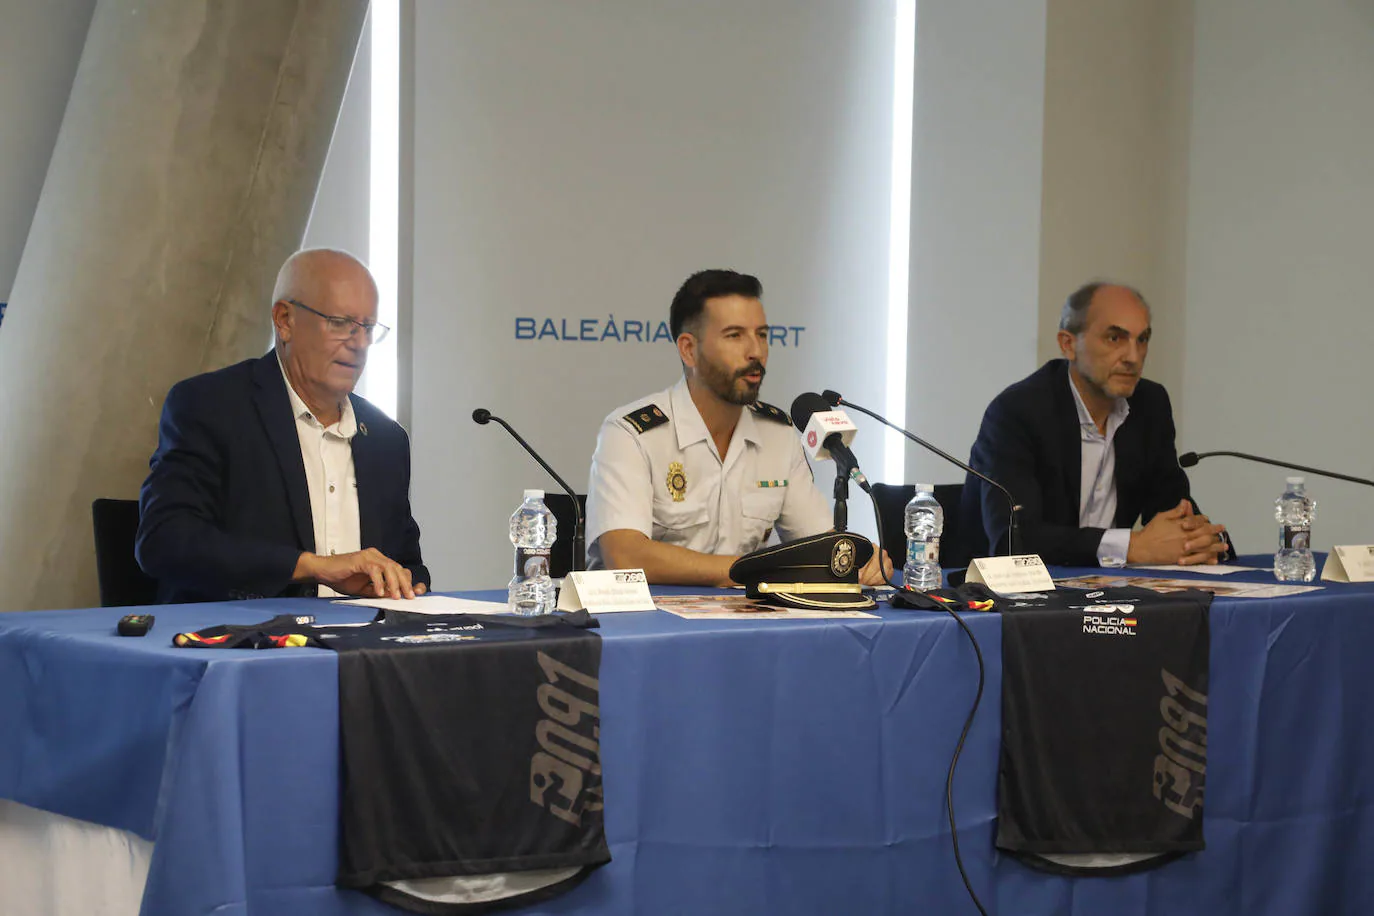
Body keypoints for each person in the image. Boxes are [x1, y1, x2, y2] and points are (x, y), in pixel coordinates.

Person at [136, 248, 429, 603]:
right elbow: (165, 541)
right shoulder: (211, 406)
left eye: (368, 328)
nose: (360, 344)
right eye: (341, 324)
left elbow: (410, 565)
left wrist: (401, 583)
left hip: (365, 648)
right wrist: (312, 566)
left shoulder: (386, 439)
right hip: (247, 643)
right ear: (285, 320)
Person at [585, 269, 890, 586]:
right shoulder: (631, 434)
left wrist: (859, 557)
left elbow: (817, 544)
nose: (755, 351)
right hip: (648, 629)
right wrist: (750, 570)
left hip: (746, 624)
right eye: (735, 335)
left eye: (761, 335)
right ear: (689, 349)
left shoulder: (778, 435)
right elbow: (626, 556)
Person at [959, 281, 1230, 567]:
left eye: (1142, 339)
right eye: (1115, 338)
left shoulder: (1149, 405)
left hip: (1111, 593)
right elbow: (1013, 542)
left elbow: (1174, 510)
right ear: (1068, 344)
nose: (1133, 357)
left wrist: (1201, 541)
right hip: (992, 601)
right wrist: (1130, 547)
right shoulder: (1017, 412)